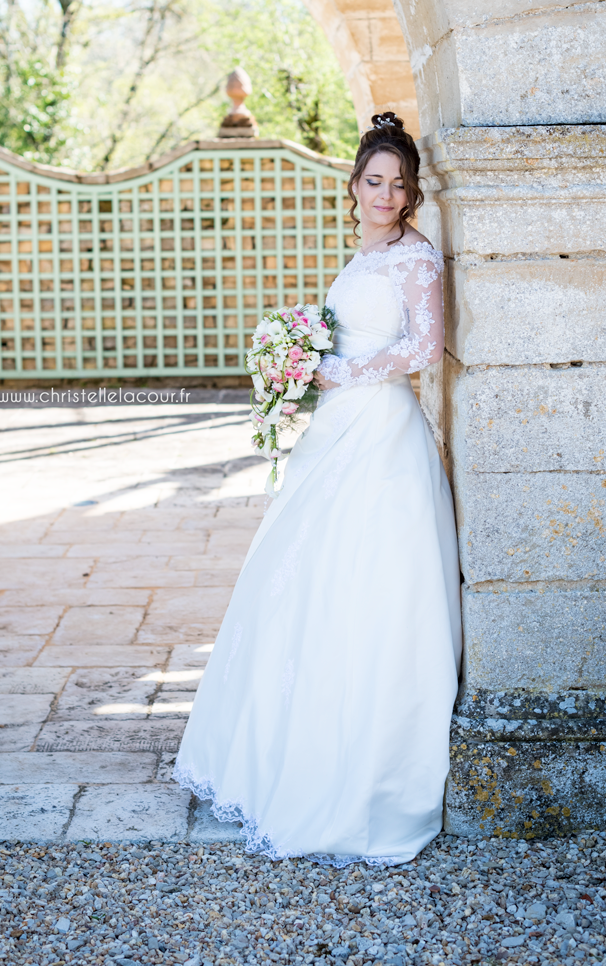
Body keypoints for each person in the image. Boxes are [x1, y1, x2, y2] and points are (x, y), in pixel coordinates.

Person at [173, 113, 462, 865]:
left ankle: (361, 775)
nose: (385, 195)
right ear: (354, 185)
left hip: (381, 433)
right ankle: (282, 750)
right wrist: (300, 363)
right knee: (303, 575)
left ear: (410, 193)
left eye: (398, 185)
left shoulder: (417, 259)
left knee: (368, 582)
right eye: (374, 181)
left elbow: (423, 349)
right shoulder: (363, 254)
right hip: (336, 428)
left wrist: (333, 370)